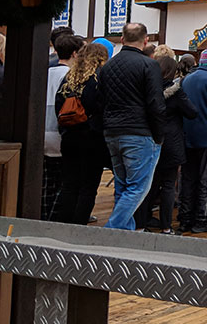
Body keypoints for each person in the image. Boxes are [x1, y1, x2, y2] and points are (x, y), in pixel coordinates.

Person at [99, 22, 166, 230]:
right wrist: (159, 134)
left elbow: (102, 99)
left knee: (122, 185)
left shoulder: (107, 66)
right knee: (138, 187)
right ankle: (112, 229)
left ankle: (124, 233)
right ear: (146, 41)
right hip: (140, 131)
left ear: (122, 39)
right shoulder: (149, 65)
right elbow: (156, 103)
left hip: (112, 131)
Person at [136, 56, 198, 234]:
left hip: (150, 138)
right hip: (172, 141)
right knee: (169, 185)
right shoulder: (176, 91)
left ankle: (142, 222)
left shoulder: (146, 89)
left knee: (148, 184)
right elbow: (192, 112)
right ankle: (166, 226)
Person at [54, 42, 109, 224]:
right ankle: (79, 226)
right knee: (88, 186)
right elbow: (102, 108)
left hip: (69, 137)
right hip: (92, 139)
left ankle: (64, 223)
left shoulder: (69, 78)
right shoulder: (99, 79)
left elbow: (58, 107)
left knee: (69, 185)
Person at [179, 49, 207, 233]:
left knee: (187, 178)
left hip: (187, 136)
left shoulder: (186, 80)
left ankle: (185, 217)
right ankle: (203, 218)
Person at [44, 33, 83, 221]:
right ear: (75, 54)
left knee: (45, 185)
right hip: (62, 135)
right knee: (65, 186)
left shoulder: (44, 73)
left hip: (40, 134)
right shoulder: (71, 77)